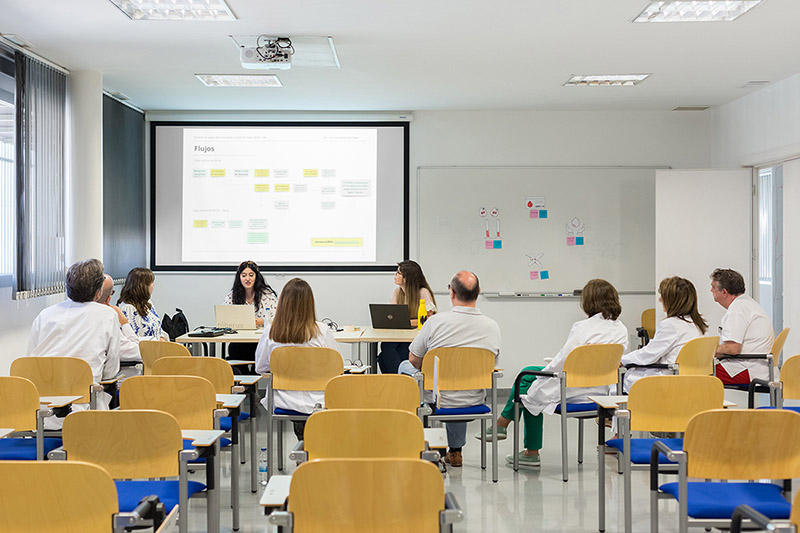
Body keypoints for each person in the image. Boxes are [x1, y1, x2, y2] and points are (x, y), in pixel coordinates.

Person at [481, 279, 628, 467]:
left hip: (573, 391)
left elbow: (564, 360)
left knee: (527, 380)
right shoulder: (621, 329)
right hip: (601, 393)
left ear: (589, 302)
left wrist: (547, 370)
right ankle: (508, 430)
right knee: (530, 379)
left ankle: (517, 437)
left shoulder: (583, 327)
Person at [398, 270, 501, 468]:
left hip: (438, 400)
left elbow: (414, 359)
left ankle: (412, 441)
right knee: (457, 383)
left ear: (451, 293)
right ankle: (455, 451)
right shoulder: (492, 326)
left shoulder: (435, 322)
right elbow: (492, 363)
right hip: (474, 399)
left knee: (405, 366)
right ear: (479, 292)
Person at [27, 259, 121, 413]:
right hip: (83, 413)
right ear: (99, 292)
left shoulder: (45, 315)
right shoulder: (107, 315)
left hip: (39, 413)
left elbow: (31, 362)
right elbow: (110, 371)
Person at [255, 278, 341, 441]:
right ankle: (311, 446)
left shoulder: (271, 332)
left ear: (283, 303)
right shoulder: (322, 331)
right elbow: (336, 368)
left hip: (284, 400)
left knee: (300, 420)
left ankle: (303, 444)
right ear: (309, 303)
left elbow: (260, 368)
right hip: (318, 399)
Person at [620, 276, 708, 392]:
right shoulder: (698, 325)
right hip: (691, 381)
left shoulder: (671, 325)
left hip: (668, 381)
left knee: (624, 378)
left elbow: (647, 355)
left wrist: (621, 360)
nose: (660, 299)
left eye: (663, 296)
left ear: (673, 301)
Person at [710, 268, 775, 384]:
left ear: (724, 292)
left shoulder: (738, 309)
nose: (711, 290)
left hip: (747, 368)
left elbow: (733, 348)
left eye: (713, 287)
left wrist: (708, 351)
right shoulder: (747, 303)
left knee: (697, 373)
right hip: (760, 366)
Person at [378, 260, 437, 374]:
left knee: (384, 357)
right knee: (385, 348)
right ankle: (402, 381)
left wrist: (407, 323)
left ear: (406, 278)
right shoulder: (397, 292)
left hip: (415, 335)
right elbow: (392, 315)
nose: (395, 275)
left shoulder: (422, 292)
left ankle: (399, 382)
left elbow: (429, 318)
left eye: (398, 273)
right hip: (399, 334)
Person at [224, 260, 279, 369]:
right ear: (239, 277)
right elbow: (225, 318)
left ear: (256, 277)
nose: (247, 279)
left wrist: (258, 321)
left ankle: (254, 383)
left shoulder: (267, 295)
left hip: (260, 341)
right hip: (239, 341)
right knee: (234, 351)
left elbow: (277, 320)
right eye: (244, 275)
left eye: (251, 275)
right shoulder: (232, 296)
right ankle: (244, 384)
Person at [117, 267, 168, 341]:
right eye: (151, 282)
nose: (153, 285)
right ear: (143, 286)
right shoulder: (128, 308)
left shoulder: (148, 303)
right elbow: (132, 339)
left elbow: (159, 331)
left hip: (157, 349)